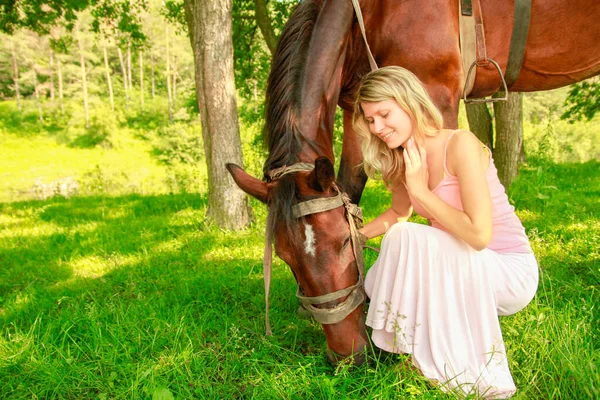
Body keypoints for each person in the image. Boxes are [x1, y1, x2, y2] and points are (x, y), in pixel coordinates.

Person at [353, 66, 539, 399]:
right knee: (384, 263)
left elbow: (480, 236)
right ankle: (417, 351)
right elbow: (398, 213)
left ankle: (442, 364)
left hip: (505, 270)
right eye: (370, 120)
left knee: (404, 238)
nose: (377, 128)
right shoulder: (401, 158)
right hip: (458, 265)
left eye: (384, 114)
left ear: (409, 103)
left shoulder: (460, 144)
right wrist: (355, 237)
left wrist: (420, 192)